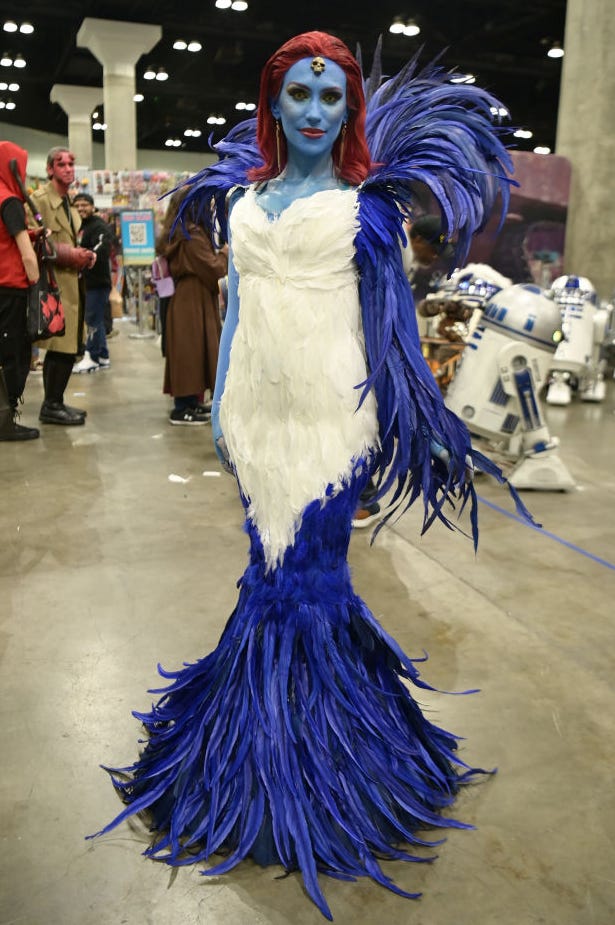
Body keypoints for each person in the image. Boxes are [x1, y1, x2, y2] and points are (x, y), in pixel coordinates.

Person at [92, 33, 532, 918]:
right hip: (256, 423)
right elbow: (242, 311)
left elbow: (390, 330)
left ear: (350, 110)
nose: (313, 112)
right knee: (265, 575)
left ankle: (325, 770)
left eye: (330, 99)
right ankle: (249, 751)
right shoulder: (243, 204)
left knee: (309, 586)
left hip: (335, 426)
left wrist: (415, 422)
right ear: (273, 100)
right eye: (299, 94)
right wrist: (218, 407)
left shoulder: (366, 211)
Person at [353, 213, 457, 526]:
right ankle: (358, 495)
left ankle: (362, 493)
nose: (435, 259)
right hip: (365, 338)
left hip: (376, 336)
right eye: (434, 251)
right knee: (366, 411)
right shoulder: (394, 241)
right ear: (421, 241)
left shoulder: (402, 247)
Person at [27, 147, 96, 426]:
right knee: (60, 346)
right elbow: (34, 240)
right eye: (61, 164)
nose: (68, 168)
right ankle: (51, 405)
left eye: (71, 163)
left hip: (71, 284)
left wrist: (84, 255)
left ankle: (55, 401)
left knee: (69, 346)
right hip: (52, 285)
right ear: (49, 169)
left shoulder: (67, 201)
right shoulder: (40, 200)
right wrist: (71, 255)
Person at [156, 187, 227, 425]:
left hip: (187, 298)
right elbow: (214, 269)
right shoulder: (192, 235)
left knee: (190, 351)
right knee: (190, 351)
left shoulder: (179, 233)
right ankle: (182, 407)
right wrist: (226, 254)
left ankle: (190, 403)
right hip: (192, 300)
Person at [0, 140, 40, 440]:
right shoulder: (9, 201)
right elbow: (26, 254)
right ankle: (6, 420)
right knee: (13, 355)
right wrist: (37, 283)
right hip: (11, 290)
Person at [72, 192, 114, 373]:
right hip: (88, 282)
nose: (81, 208)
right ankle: (103, 355)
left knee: (92, 320)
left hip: (98, 281)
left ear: (92, 206)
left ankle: (92, 356)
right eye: (77, 205)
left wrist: (89, 256)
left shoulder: (99, 226)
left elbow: (104, 246)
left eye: (84, 205)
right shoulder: (81, 226)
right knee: (97, 319)